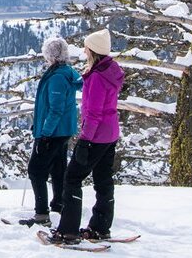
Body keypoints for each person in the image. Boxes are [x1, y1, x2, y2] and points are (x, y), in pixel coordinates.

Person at [54, 29, 123, 244]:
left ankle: (68, 230)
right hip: (110, 133)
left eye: (86, 47)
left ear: (92, 51)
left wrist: (85, 140)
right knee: (103, 179)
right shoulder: (112, 71)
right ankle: (101, 227)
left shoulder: (96, 77)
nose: (84, 50)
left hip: (97, 135)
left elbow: (93, 113)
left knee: (72, 178)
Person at [22, 36, 81, 226]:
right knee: (58, 168)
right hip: (62, 130)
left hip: (54, 132)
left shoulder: (57, 77)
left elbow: (56, 109)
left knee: (36, 170)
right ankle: (58, 204)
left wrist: (44, 133)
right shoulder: (65, 73)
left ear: (51, 55)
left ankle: (41, 214)